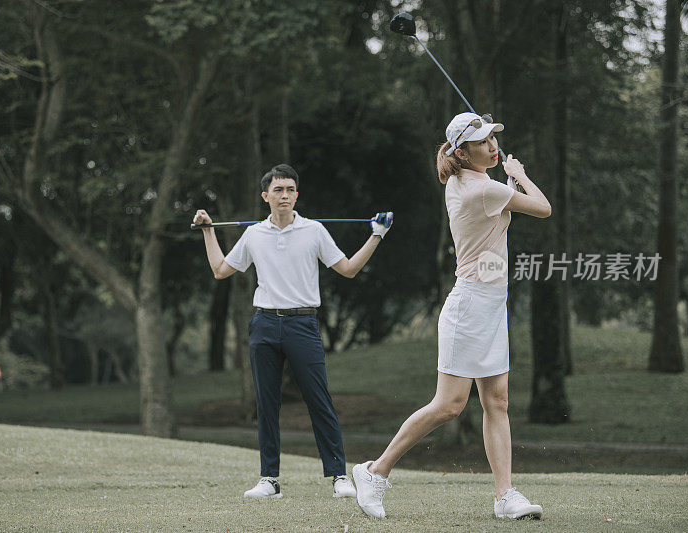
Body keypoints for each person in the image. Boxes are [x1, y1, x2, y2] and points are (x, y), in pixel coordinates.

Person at [352, 112, 552, 520]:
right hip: (470, 306)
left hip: (492, 302)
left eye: (494, 138)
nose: (493, 147)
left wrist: (506, 178)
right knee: (449, 405)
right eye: (482, 142)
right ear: (462, 152)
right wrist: (518, 172)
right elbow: (544, 208)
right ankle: (374, 472)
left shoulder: (470, 182)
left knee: (497, 401)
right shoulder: (481, 188)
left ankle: (505, 496)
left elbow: (497, 216)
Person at [194, 163, 392, 499]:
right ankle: (269, 479)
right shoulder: (254, 234)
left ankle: (338, 475)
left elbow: (348, 269)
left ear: (296, 195)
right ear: (265, 196)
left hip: (302, 323)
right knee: (266, 403)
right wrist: (208, 230)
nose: (284, 195)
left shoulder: (314, 231)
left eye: (290, 190)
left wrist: (376, 235)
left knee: (319, 400)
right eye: (278, 190)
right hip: (265, 324)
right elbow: (220, 270)